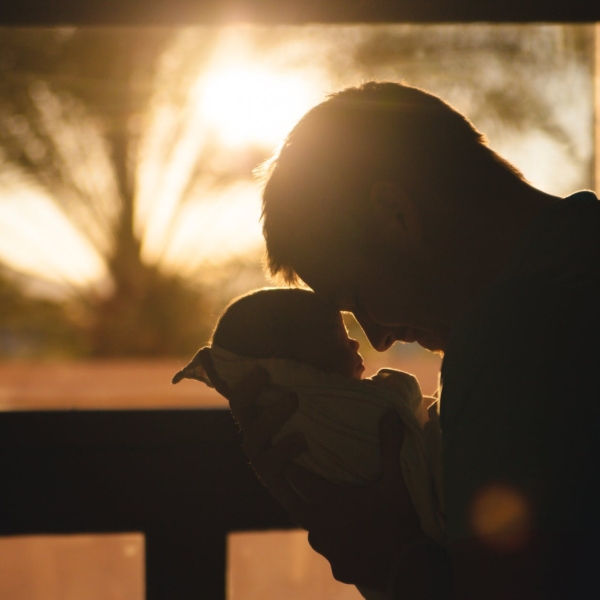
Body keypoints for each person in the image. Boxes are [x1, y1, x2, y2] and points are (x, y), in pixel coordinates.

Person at [198, 81, 600, 598]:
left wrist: (382, 553)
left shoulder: (506, 339)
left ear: (397, 213)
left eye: (358, 298)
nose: (378, 340)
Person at [174, 287, 445, 600]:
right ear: (294, 373)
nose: (364, 339)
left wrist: (404, 562)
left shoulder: (293, 428)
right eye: (336, 339)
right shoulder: (332, 416)